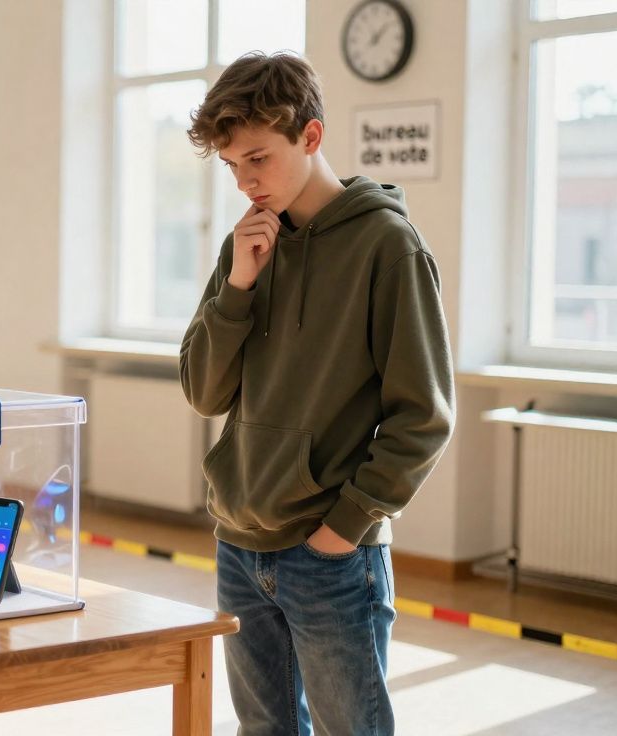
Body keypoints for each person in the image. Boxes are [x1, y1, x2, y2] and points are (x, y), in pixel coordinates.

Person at [178, 51, 455, 735]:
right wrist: (238, 286)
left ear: (311, 136)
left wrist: (343, 531)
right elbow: (204, 394)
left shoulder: (388, 247)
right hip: (240, 540)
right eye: (232, 166)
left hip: (330, 554)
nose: (245, 182)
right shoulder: (246, 244)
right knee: (263, 730)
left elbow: (423, 416)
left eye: (258, 159)